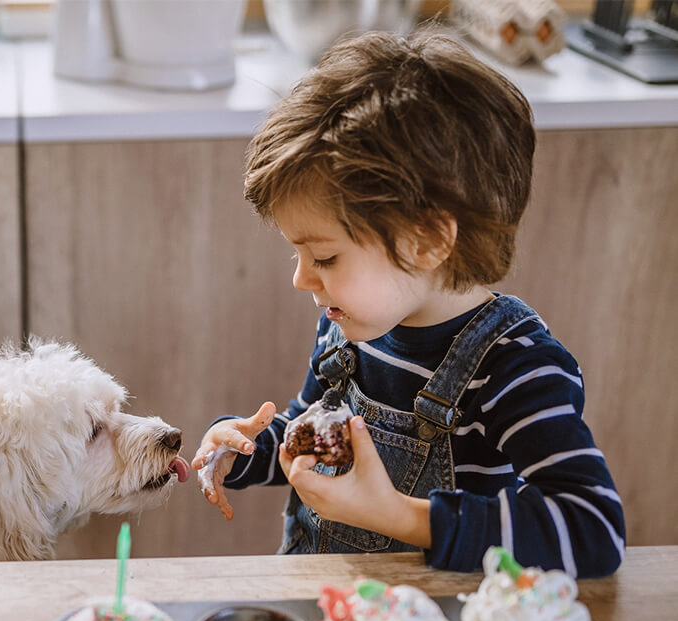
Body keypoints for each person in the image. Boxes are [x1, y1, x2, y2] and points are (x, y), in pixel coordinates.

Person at [191, 29, 624, 577]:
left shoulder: (516, 368)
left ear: (427, 241)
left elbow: (594, 528)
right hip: (331, 606)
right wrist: (246, 449)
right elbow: (314, 432)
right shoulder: (347, 326)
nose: (303, 279)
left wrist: (398, 515)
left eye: (324, 258)